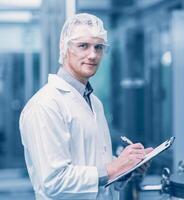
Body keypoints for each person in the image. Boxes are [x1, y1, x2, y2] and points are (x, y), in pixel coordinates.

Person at [19, 13, 152, 200]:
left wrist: (127, 168)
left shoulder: (94, 103)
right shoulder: (45, 105)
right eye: (83, 46)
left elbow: (96, 167)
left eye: (99, 47)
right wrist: (114, 168)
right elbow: (53, 182)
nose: (93, 55)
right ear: (64, 48)